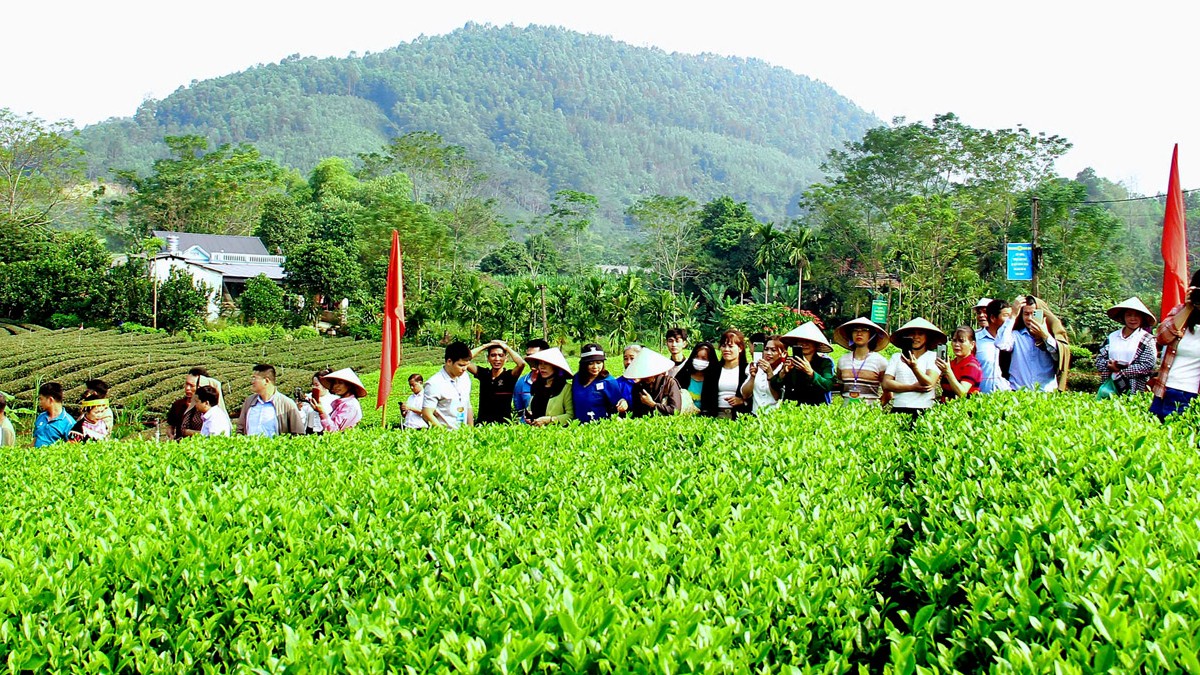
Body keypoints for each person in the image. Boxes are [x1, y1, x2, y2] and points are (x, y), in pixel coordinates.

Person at [1150, 271, 1200, 419]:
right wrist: (1188, 307)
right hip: (1164, 391)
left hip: (1192, 394)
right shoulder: (1180, 311)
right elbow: (1161, 338)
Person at [998, 296, 1071, 392]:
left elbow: (1059, 356)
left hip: (1045, 392)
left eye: (1034, 314)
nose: (1030, 318)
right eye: (1026, 314)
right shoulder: (1016, 336)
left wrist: (1045, 336)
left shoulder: (1051, 338)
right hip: (1019, 391)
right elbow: (1001, 344)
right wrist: (1013, 315)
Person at [1094, 297, 1157, 397]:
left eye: (1137, 315)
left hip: (1135, 389)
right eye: (1129, 315)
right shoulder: (1112, 337)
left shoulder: (1147, 339)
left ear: (1142, 318)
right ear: (1123, 317)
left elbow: (1147, 365)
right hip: (1109, 386)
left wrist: (1121, 372)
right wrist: (1109, 365)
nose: (1133, 318)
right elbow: (1099, 360)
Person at [883, 318, 945, 417]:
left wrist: (914, 368)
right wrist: (912, 387)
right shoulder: (896, 357)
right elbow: (886, 384)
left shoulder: (932, 357)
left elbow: (929, 383)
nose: (915, 337)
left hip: (924, 409)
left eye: (920, 334)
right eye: (912, 334)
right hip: (899, 408)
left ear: (927, 337)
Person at [774, 322, 836, 405]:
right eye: (801, 341)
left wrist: (811, 373)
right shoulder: (790, 361)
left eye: (808, 341)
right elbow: (774, 385)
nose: (804, 344)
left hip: (817, 408)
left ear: (816, 344)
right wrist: (783, 373)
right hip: (791, 408)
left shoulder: (825, 362)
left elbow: (828, 385)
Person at [468, 340, 527, 425]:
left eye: (501, 355)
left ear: (506, 359)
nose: (497, 359)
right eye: (493, 355)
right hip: (482, 424)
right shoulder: (483, 374)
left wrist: (506, 347)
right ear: (488, 358)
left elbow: (521, 364)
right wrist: (485, 346)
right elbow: (464, 360)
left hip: (504, 425)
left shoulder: (510, 376)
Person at [833, 318, 890, 404]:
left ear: (871, 335)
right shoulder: (843, 360)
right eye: (855, 330)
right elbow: (842, 388)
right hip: (845, 413)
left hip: (869, 414)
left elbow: (888, 394)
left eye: (864, 330)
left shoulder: (880, 362)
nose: (859, 333)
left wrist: (875, 409)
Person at [236, 364, 304, 436]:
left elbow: (298, 434)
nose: (252, 382)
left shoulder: (287, 404)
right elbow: (240, 429)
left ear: (266, 381)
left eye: (254, 378)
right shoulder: (249, 402)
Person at [423, 342, 474, 430]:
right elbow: (427, 413)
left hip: (464, 434)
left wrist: (471, 430)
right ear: (449, 362)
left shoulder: (465, 377)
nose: (464, 369)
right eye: (461, 365)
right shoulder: (434, 383)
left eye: (466, 365)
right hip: (445, 437)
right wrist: (444, 434)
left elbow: (467, 405)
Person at [700, 329, 750, 419]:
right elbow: (705, 396)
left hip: (740, 417)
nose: (726, 349)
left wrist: (743, 401)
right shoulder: (713, 369)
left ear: (740, 348)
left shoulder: (747, 369)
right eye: (723, 346)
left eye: (731, 346)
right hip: (716, 416)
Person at [572, 343, 625, 423]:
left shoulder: (609, 382)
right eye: (590, 363)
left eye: (598, 362)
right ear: (583, 364)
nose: (595, 367)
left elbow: (618, 404)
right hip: (578, 427)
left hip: (600, 427)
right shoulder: (577, 378)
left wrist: (623, 403)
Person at [624, 347, 682, 417]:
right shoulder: (637, 387)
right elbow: (637, 414)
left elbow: (675, 411)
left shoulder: (669, 383)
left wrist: (652, 404)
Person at [525, 348, 575, 426]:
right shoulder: (537, 386)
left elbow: (570, 415)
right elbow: (530, 409)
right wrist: (529, 417)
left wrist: (550, 420)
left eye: (546, 364)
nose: (542, 367)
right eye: (540, 363)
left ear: (555, 367)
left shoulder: (566, 389)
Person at [741, 335, 786, 415]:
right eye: (766, 349)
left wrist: (770, 374)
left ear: (783, 353)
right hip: (755, 415)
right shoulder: (756, 366)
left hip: (776, 417)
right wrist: (752, 377)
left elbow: (777, 397)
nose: (768, 353)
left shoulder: (784, 369)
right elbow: (745, 394)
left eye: (773, 350)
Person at [975, 299, 1014, 394]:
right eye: (979, 313)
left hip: (1006, 396)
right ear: (993, 317)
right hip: (979, 397)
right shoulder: (974, 339)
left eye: (985, 312)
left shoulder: (1013, 338)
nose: (982, 316)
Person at [938, 326, 983, 400]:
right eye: (954, 340)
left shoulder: (972, 365)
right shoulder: (951, 363)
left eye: (961, 341)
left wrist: (948, 372)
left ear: (972, 344)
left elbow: (962, 393)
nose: (956, 344)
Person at [513, 339, 549, 423]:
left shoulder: (556, 382)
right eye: (528, 356)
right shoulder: (521, 383)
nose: (530, 360)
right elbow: (519, 410)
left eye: (534, 356)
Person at [166, 367, 207, 440]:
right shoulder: (178, 404)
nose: (187, 388)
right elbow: (171, 425)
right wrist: (171, 435)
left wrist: (188, 432)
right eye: (186, 384)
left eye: (192, 386)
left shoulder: (205, 406)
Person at [673, 342, 715, 412]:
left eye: (704, 358)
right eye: (696, 357)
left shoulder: (713, 380)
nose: (699, 360)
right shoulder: (684, 375)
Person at [34, 382, 75, 447]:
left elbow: (71, 448)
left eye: (41, 399)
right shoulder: (41, 417)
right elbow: (35, 440)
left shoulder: (69, 423)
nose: (40, 403)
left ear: (50, 400)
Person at [299, 368, 336, 434]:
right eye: (313, 385)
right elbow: (303, 418)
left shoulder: (334, 400)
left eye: (316, 385)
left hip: (325, 432)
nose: (314, 387)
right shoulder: (308, 398)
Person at [614, 344, 642, 416]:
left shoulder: (648, 381)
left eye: (632, 358)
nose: (628, 362)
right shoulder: (618, 383)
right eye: (625, 358)